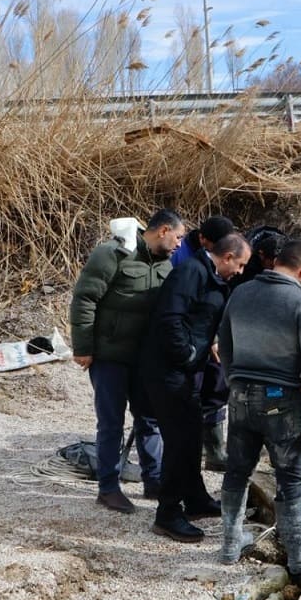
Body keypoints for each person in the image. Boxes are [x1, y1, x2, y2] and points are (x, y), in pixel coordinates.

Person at [218, 239, 301, 576]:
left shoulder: (241, 292)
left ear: (275, 262)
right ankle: (299, 552)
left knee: (237, 471)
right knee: (291, 474)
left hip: (240, 395)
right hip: (281, 400)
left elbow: (223, 343)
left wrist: (234, 381)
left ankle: (229, 545)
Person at [70, 209, 185, 513]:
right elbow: (84, 299)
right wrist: (83, 347)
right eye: (178, 237)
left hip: (145, 360)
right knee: (111, 423)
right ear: (163, 230)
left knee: (149, 419)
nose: (179, 245)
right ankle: (108, 488)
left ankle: (154, 481)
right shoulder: (112, 254)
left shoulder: (165, 265)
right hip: (109, 356)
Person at [144, 232, 251, 542]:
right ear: (227, 257)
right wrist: (187, 354)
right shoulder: (192, 272)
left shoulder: (210, 276)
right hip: (169, 371)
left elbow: (201, 317)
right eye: (241, 265)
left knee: (191, 437)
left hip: (187, 373)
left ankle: (195, 498)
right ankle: (167, 513)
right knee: (179, 441)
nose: (241, 272)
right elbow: (169, 318)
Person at [171, 216, 236, 472]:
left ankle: (213, 449)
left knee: (217, 385)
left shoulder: (220, 258)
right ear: (203, 240)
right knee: (189, 392)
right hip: (189, 340)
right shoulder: (182, 259)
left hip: (211, 335)